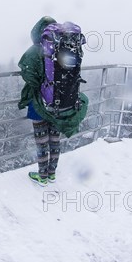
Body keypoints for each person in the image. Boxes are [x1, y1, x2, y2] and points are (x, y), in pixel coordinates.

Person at [17, 16, 88, 186]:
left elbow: (29, 76)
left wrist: (41, 85)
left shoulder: (34, 51)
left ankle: (42, 176)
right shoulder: (65, 46)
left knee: (42, 141)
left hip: (41, 102)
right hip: (62, 101)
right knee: (54, 139)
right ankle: (52, 174)